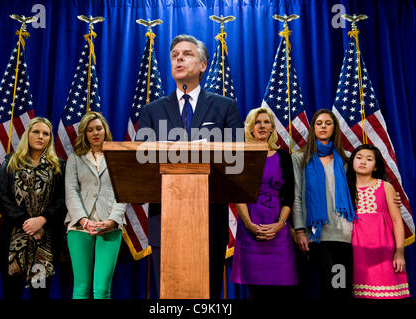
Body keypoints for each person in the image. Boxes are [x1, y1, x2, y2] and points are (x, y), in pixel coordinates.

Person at [136, 34, 244, 298]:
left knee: (208, 294)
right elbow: (141, 163)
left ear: (203, 65)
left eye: (187, 54)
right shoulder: (152, 110)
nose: (179, 59)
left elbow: (237, 160)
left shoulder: (225, 107)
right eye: (174, 56)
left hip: (210, 219)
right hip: (165, 218)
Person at [0, 117, 66, 299]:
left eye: (45, 133)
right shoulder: (11, 162)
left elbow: (63, 199)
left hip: (45, 241)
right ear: (28, 134)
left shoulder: (58, 166)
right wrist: (27, 223)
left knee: (40, 293)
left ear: (50, 138)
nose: (40, 136)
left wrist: (42, 220)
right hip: (13, 239)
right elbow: (1, 196)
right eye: (36, 132)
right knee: (12, 293)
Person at [230, 107, 298, 299]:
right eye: (257, 122)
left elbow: (289, 194)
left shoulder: (283, 156)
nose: (261, 126)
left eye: (266, 122)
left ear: (272, 129)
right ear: (250, 128)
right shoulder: (241, 155)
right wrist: (249, 225)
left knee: (281, 289)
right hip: (251, 225)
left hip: (278, 225)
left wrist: (280, 224)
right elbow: (238, 195)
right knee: (256, 290)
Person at [292, 109, 356, 299]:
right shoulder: (300, 158)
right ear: (312, 128)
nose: (323, 127)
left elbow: (363, 188)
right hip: (317, 235)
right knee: (331, 284)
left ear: (335, 128)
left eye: (328, 123)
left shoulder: (347, 159)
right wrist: (300, 230)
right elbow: (296, 195)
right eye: (319, 123)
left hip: (345, 234)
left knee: (342, 287)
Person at [64, 111, 127, 299]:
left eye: (98, 128)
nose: (95, 133)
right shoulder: (75, 158)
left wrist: (112, 221)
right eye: (90, 130)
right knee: (81, 288)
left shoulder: (117, 155)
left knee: (102, 290)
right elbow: (71, 191)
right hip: (79, 228)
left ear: (105, 130)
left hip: (109, 227)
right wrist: (83, 220)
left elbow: (122, 194)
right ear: (84, 134)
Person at [346, 144, 410, 299]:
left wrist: (399, 252)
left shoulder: (385, 186)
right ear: (352, 161)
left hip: (383, 250)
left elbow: (396, 221)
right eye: (359, 158)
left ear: (375, 166)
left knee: (384, 293)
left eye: (369, 159)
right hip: (354, 250)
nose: (363, 162)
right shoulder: (345, 188)